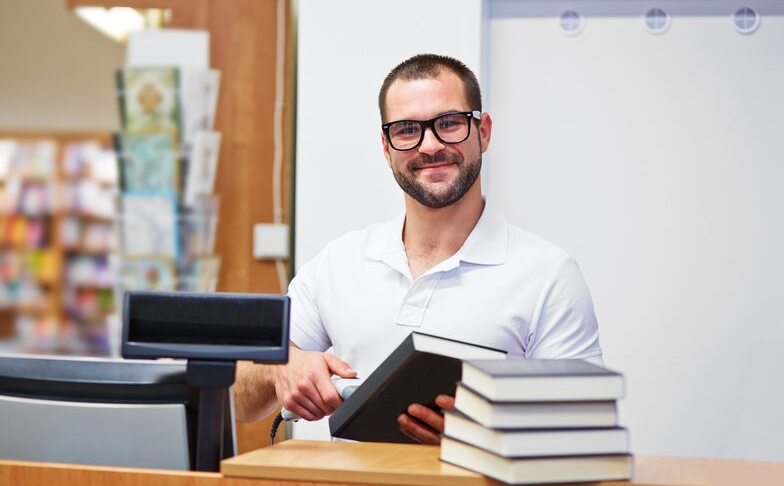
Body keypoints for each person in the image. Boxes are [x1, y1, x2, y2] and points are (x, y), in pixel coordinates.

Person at [233, 53, 602, 444]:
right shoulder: (339, 263)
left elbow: (585, 431)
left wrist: (485, 437)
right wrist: (280, 369)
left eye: (449, 123)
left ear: (484, 132)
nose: (430, 145)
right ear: (386, 146)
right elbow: (238, 397)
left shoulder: (547, 275)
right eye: (407, 129)